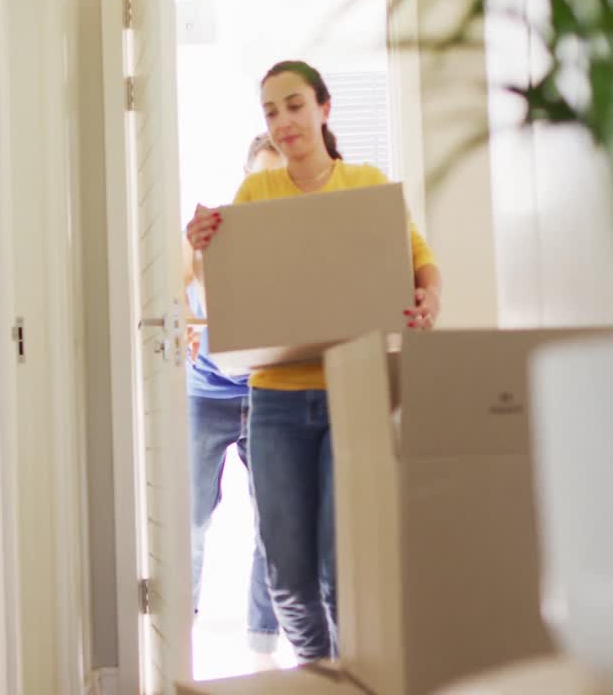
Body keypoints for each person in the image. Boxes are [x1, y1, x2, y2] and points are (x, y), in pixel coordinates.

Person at [185, 61, 442, 662]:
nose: (282, 122)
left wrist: (429, 296)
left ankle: (351, 674)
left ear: (324, 109)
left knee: (338, 567)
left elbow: (419, 259)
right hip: (273, 399)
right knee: (287, 574)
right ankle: (318, 673)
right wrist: (203, 249)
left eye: (294, 105)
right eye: (270, 111)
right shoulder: (256, 192)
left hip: (353, 390)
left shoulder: (365, 182)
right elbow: (225, 287)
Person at [183, 134, 286, 658]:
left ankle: (262, 640)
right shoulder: (211, 233)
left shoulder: (296, 242)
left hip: (269, 390)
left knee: (273, 517)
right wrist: (182, 312)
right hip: (208, 391)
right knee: (191, 515)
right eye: (260, 178)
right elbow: (180, 277)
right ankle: (180, 628)